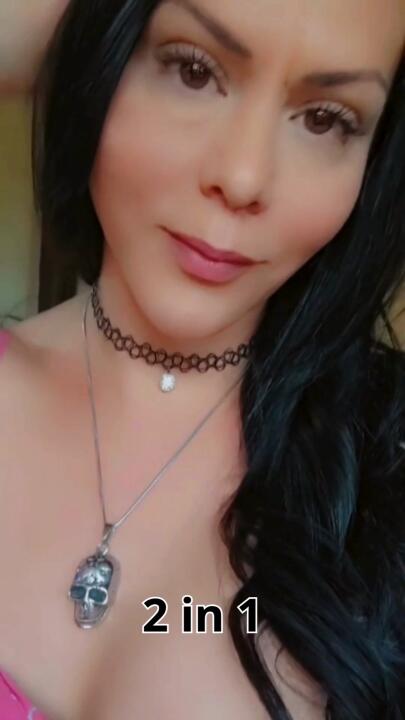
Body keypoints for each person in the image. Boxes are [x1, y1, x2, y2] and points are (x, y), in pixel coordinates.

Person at [0, 0, 404, 718]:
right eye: (192, 70)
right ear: (104, 55)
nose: (243, 177)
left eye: (324, 120)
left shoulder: (383, 468)